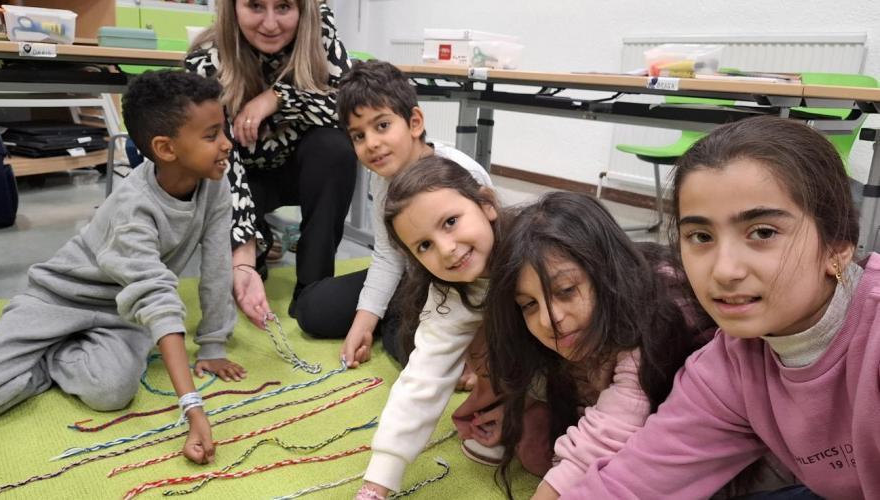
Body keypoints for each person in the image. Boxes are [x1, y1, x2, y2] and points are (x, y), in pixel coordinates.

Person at [564, 115, 880, 499]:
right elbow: (630, 485)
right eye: (701, 236)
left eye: (762, 232)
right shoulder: (731, 364)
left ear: (838, 245)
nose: (724, 271)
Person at [0, 70, 245, 466]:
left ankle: (50, 358)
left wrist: (213, 344)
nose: (227, 143)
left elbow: (218, 265)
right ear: (166, 148)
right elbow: (155, 295)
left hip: (121, 311)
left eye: (224, 130)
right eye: (212, 135)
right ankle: (42, 344)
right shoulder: (132, 207)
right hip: (57, 299)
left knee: (111, 392)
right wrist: (193, 408)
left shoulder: (216, 184)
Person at [483, 192, 707, 498]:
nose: (549, 319)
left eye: (565, 290)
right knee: (533, 445)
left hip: (695, 429)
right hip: (617, 402)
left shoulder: (649, 319)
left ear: (606, 273)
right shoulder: (569, 333)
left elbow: (612, 427)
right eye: (529, 304)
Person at [291, 59, 491, 367]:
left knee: (412, 347)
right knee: (311, 310)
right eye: (358, 136)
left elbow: (488, 265)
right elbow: (387, 256)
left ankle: (401, 321)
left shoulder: (461, 172)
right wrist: (363, 323)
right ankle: (394, 315)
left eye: (382, 126)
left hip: (458, 281)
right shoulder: (382, 179)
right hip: (411, 279)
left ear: (414, 123)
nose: (372, 143)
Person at [185, 0, 358, 327]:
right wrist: (244, 253)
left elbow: (350, 111)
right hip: (242, 175)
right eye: (255, 6)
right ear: (233, 8)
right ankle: (260, 244)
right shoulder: (206, 62)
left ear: (303, 10)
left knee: (335, 148)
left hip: (300, 169)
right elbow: (222, 161)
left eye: (283, 7)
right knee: (244, 269)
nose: (270, 24)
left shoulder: (321, 37)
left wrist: (278, 98)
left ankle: (313, 284)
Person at [355, 157, 505, 499]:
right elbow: (423, 377)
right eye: (424, 245)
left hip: (599, 371)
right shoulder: (449, 292)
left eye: (450, 222)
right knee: (531, 449)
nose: (447, 250)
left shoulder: (537, 254)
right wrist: (377, 483)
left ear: (486, 203)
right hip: (539, 379)